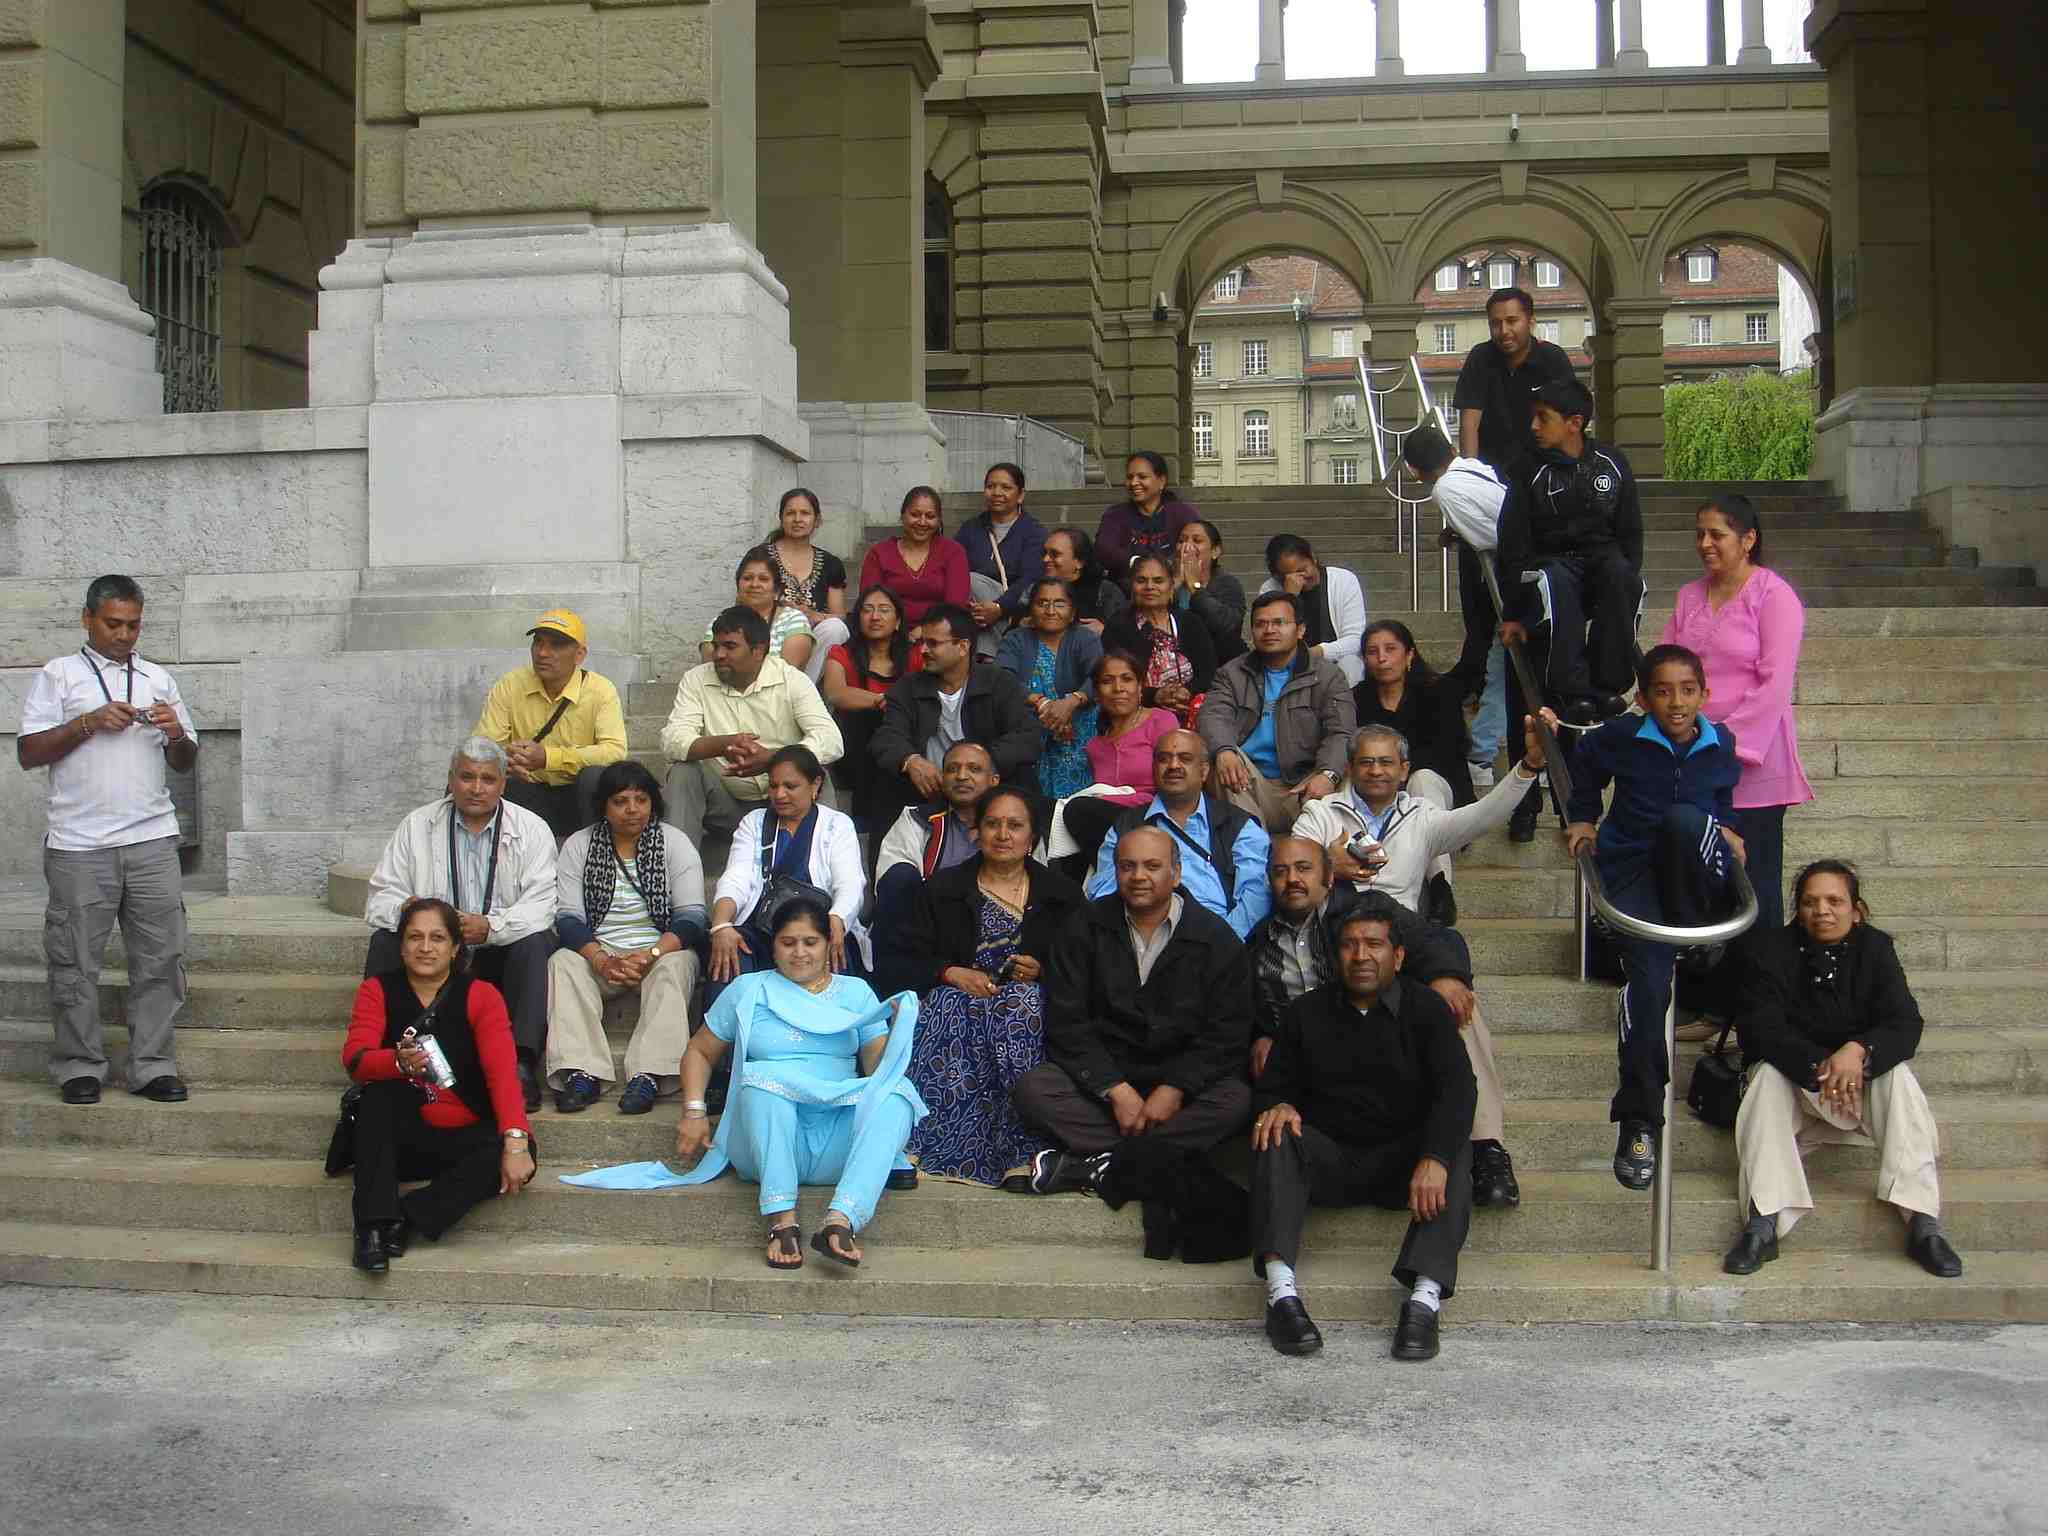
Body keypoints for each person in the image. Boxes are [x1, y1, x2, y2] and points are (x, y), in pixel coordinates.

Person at [1249, 909, 1476, 1361]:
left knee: (1455, 1147)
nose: (1361, 955)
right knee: (1274, 1130)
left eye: (1374, 944)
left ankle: (1424, 1301)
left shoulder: (1426, 1009)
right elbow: (1273, 1088)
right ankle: (1281, 1295)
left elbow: (1457, 1091)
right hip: (1331, 1161)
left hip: (1401, 1168)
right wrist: (1279, 1104)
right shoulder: (1305, 1012)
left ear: (1398, 955)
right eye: (1350, 944)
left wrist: (1434, 1158)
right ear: (1336, 957)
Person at [1559, 644, 1744, 1192]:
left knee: (1689, 821)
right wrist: (1585, 818)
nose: (1676, 702)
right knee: (1646, 990)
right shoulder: (1622, 736)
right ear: (1643, 698)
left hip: (1693, 875)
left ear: (1704, 694)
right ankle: (1639, 1122)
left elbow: (1723, 802)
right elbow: (1581, 767)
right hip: (1634, 876)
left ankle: (1698, 938)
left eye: (1688, 690)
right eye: (1662, 691)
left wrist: (1730, 828)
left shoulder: (1721, 743)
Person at [1250, 835, 1518, 1210]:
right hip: (1318, 1054)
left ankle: (1486, 1147)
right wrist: (1262, 1034)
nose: (1293, 879)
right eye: (1281, 871)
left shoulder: (1366, 910)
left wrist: (1446, 976)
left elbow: (1434, 941)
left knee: (1454, 1009)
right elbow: (1253, 1002)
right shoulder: (1261, 939)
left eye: (1303, 868)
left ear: (1329, 878)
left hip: (1386, 1033)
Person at [1725, 861, 1960, 1280]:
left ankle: (1924, 1225)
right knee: (1764, 1080)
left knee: (1899, 1080)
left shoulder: (1876, 949)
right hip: (1801, 1084)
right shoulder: (1771, 952)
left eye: (1835, 901)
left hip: (1861, 1085)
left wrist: (1858, 1051)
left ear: (1857, 909)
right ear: (1797, 910)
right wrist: (1823, 1066)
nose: (1822, 911)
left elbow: (1905, 1023)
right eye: (1810, 902)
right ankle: (1764, 1221)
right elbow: (1759, 1029)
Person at [664, 899, 925, 1268]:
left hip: (836, 1140)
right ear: (773, 946)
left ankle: (841, 1221)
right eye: (788, 943)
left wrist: (896, 1032)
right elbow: (700, 1051)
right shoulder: (748, 989)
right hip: (765, 1138)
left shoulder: (857, 993)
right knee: (759, 1082)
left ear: (828, 944)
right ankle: (782, 1220)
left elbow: (877, 1073)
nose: (799, 953)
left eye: (810, 942)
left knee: (898, 1096)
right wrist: (694, 1111)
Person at [17, 574, 197, 1105]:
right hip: (78, 844)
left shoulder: (158, 677)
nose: (124, 635)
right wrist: (88, 722)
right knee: (74, 961)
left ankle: (153, 1064)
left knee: (161, 957)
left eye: (133, 624)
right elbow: (29, 752)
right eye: (113, 623)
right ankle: (79, 1066)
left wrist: (174, 732)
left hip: (152, 839)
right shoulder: (59, 675)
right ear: (88, 619)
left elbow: (186, 759)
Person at [1013, 825, 1253, 1193]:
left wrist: (1174, 1089)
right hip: (1106, 1085)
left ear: (1176, 873)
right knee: (1036, 1089)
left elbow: (1226, 1034)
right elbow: (1068, 1022)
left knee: (1235, 1101)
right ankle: (1161, 1160)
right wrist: (1116, 1089)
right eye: (1127, 866)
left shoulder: (1215, 938)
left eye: (1152, 866)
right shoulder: (1083, 927)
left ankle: (1099, 1164)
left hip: (1180, 1087)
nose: (1138, 876)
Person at [900, 786, 1086, 1187]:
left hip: (1026, 1001)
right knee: (945, 1004)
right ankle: (922, 1142)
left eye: (1015, 826)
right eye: (993, 824)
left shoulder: (1062, 896)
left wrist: (1043, 969)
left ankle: (1021, 1153)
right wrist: (950, 972)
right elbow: (903, 959)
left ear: (1032, 837)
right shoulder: (941, 889)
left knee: (1022, 1005)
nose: (1004, 834)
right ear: (976, 832)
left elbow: (1086, 968)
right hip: (960, 998)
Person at [342, 897, 535, 1274]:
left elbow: (502, 1073)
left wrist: (515, 1140)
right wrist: (396, 1062)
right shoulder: (376, 991)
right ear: (401, 945)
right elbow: (355, 1060)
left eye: (437, 938)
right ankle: (371, 1228)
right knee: (375, 1098)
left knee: (519, 1148)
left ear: (455, 948)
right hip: (400, 1139)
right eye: (415, 937)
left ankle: (407, 1218)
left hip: (461, 1133)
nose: (425, 948)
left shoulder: (481, 996)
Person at [363, 738, 558, 1111]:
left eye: (487, 779)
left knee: (536, 942)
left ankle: (519, 1064)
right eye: (467, 777)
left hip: (498, 950)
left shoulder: (532, 829)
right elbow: (379, 899)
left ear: (503, 783)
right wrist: (409, 912)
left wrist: (490, 927)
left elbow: (543, 905)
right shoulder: (417, 825)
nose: (476, 788)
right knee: (385, 941)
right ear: (451, 779)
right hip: (435, 951)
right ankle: (386, 1057)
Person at [1659, 494, 1812, 932]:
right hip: (1693, 761)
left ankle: (1759, 995)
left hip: (1754, 767)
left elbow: (1775, 685)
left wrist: (1721, 742)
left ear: (1748, 540)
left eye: (1717, 534)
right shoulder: (1689, 596)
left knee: (1756, 886)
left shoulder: (1774, 595)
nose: (1705, 543)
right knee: (1701, 884)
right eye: (1700, 534)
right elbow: (1665, 667)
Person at [545, 760, 707, 1115]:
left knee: (677, 964)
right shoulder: (580, 846)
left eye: (641, 799)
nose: (632, 809)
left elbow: (692, 917)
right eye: (620, 801)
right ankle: (582, 1071)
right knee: (563, 962)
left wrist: (650, 953)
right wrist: (600, 958)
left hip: (659, 950)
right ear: (604, 805)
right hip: (602, 953)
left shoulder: (674, 843)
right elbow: (568, 918)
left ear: (653, 803)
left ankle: (648, 1074)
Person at [1446, 286, 1577, 691]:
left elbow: (1567, 423)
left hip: (1538, 481)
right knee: (1474, 571)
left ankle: (1535, 659)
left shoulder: (1553, 360)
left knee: (1529, 574)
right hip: (1491, 478)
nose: (1503, 330)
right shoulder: (1481, 359)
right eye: (1495, 323)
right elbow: (1470, 423)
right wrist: (1468, 480)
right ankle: (1475, 664)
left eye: (1512, 321)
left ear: (1530, 320)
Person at [1497, 375, 1646, 727]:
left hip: (1601, 566)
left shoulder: (1612, 464)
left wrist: (1626, 572)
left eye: (1543, 418)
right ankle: (1572, 690)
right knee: (1556, 579)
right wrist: (1513, 612)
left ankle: (1608, 686)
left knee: (1621, 575)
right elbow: (1512, 544)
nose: (1533, 426)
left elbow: (1630, 532)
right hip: (1549, 570)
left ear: (1574, 423)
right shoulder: (1527, 469)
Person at [1293, 722, 1542, 929]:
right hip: (1334, 930)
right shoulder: (1321, 812)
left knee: (1450, 948)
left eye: (1386, 762)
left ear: (1404, 770)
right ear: (1350, 769)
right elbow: (1289, 871)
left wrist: (1529, 766)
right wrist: (1327, 865)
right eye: (1366, 762)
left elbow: (1484, 815)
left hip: (1400, 934)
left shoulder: (1421, 816)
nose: (1376, 770)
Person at [660, 605, 844, 850]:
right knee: (683, 771)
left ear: (758, 651)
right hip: (726, 806)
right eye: (716, 646)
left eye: (730, 646)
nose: (719, 654)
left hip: (785, 802)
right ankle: (676, 869)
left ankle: (823, 860)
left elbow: (831, 740)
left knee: (816, 770)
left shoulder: (791, 679)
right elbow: (672, 740)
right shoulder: (696, 679)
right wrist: (722, 744)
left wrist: (774, 760)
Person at [1402, 425, 1512, 793]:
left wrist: (1463, 533)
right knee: (1499, 667)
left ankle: (1481, 757)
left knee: (1502, 669)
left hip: (1512, 586)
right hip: (1521, 583)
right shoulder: (1476, 467)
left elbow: (1491, 537)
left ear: (1415, 471)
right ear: (1449, 448)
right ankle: (1482, 754)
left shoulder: (1445, 490)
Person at [707, 745, 872, 989]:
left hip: (819, 928)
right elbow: (736, 880)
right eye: (774, 786)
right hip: (762, 930)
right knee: (730, 953)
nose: (780, 795)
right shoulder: (754, 823)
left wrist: (837, 920)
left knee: (835, 948)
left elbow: (850, 883)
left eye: (790, 786)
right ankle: (721, 1028)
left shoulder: (837, 824)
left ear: (815, 785)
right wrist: (721, 925)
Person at [1088, 729, 1271, 940]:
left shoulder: (1239, 825)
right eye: (1164, 759)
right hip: (1140, 941)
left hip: (1217, 944)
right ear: (1153, 768)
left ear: (1204, 771)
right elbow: (1103, 893)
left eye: (1185, 758)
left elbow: (1256, 898)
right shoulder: (1127, 826)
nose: (1174, 765)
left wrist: (1219, 945)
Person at [1198, 590, 1353, 832]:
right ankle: (1251, 845)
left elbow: (1341, 732)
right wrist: (1223, 751)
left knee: (1346, 772)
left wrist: (1328, 774)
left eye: (1279, 622)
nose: (1269, 630)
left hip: (1304, 785)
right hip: (1248, 784)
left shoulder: (1327, 676)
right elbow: (1213, 715)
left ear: (1300, 630)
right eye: (1261, 624)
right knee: (1222, 760)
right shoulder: (1232, 673)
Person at [472, 607, 628, 839]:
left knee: (595, 778)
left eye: (556, 645)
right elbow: (482, 747)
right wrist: (506, 759)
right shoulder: (511, 684)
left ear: (579, 655)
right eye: (538, 643)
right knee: (474, 780)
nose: (543, 653)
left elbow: (615, 752)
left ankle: (600, 856)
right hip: (528, 792)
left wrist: (548, 758)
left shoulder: (600, 690)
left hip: (579, 795)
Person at [869, 603, 1039, 813]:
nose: (923, 650)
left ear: (963, 647)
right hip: (928, 793)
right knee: (886, 780)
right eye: (922, 642)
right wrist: (911, 760)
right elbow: (887, 736)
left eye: (933, 643)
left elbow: (1028, 736)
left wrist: (978, 763)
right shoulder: (908, 687)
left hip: (990, 796)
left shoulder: (998, 682)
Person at [868, 740, 1005, 997]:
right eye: (952, 769)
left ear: (994, 780)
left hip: (994, 934)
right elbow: (892, 889)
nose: (961, 776)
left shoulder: (1013, 828)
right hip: (927, 935)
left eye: (974, 769)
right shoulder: (917, 819)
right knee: (898, 877)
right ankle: (898, 993)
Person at [1051, 650, 1179, 874]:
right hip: (1107, 824)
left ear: (1140, 687)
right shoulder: (1095, 746)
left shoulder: (1161, 720)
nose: (1118, 688)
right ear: (1097, 694)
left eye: (1127, 679)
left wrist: (1107, 800)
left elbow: (1173, 783)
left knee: (1077, 810)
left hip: (1154, 816)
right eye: (1107, 681)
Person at [819, 583, 924, 830]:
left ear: (898, 621)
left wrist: (893, 705)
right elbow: (836, 693)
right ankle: (864, 811)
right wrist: (881, 701)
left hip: (905, 745)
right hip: (856, 751)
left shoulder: (915, 655)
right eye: (867, 610)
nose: (875, 616)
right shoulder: (841, 653)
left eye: (884, 610)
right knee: (867, 717)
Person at [996, 577, 1103, 799]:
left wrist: (1072, 702)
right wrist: (1041, 703)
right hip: (1030, 734)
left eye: (1059, 604)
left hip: (1079, 733)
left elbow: (1099, 677)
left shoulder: (1085, 638)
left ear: (1073, 612)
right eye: (1042, 603)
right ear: (1031, 610)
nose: (1050, 610)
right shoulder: (1015, 640)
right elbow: (1002, 680)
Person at [1353, 620, 1475, 811]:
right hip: (1377, 786)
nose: (1381, 658)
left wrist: (1395, 768)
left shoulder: (1440, 692)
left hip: (1437, 786)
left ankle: (1428, 839)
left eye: (1390, 649)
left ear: (1409, 655)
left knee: (1422, 779)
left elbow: (1450, 750)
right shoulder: (1357, 698)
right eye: (1372, 652)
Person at [1102, 551, 1217, 725]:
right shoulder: (1118, 627)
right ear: (1132, 586)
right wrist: (1155, 695)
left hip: (1191, 712)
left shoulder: (1190, 622)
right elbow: (1114, 679)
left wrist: (1187, 691)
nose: (1150, 587)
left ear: (1171, 586)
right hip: (1137, 717)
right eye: (1141, 581)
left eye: (1158, 581)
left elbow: (1208, 672)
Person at [1257, 534, 1368, 689]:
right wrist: (1289, 598)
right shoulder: (1269, 589)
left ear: (1313, 558)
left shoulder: (1343, 580)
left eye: (1303, 569)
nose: (1300, 578)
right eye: (1289, 575)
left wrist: (1318, 652)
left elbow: (1355, 639)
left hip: (1336, 659)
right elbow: (1272, 637)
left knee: (1350, 664)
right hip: (1290, 663)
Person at [958, 461, 1048, 644]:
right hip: (975, 606)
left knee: (972, 580)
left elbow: (1030, 578)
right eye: (990, 486)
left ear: (1021, 495)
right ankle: (992, 656)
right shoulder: (970, 529)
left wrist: (999, 607)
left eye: (1006, 487)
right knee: (966, 581)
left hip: (1015, 605)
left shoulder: (1034, 532)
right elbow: (954, 565)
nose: (997, 493)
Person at [762, 487, 851, 670]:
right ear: (781, 518)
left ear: (817, 520)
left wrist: (814, 615)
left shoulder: (830, 563)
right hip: (770, 631)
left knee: (835, 628)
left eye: (805, 513)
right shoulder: (761, 557)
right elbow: (744, 601)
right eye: (790, 513)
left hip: (812, 637)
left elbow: (840, 615)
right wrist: (783, 611)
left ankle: (801, 689)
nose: (797, 519)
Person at [860, 484, 969, 628]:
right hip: (888, 634)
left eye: (930, 516)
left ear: (938, 521)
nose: (922, 522)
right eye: (915, 515)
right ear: (903, 515)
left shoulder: (953, 552)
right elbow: (869, 603)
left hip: (939, 635)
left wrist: (925, 630)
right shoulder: (879, 553)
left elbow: (955, 607)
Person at [701, 546, 816, 676]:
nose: (754, 584)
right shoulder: (719, 622)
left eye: (763, 579)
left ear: (777, 589)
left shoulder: (793, 620)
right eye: (747, 578)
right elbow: (710, 671)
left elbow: (787, 675)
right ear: (738, 585)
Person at [1095, 450, 1200, 587]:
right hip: (1127, 592)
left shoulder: (1183, 514)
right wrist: (1137, 563)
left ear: (1161, 481)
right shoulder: (1115, 515)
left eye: (1142, 477)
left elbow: (1195, 548)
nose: (1134, 483)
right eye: (1129, 477)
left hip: (1174, 588)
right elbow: (1104, 550)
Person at [1173, 518, 1247, 664]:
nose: (1187, 547)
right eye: (1182, 541)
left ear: (1215, 551)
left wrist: (1194, 586)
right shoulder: (1163, 580)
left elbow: (1227, 627)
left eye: (1197, 541)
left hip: (1216, 660)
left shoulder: (1227, 584)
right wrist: (1174, 584)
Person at [1042, 525, 1125, 633]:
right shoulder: (1035, 589)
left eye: (1054, 554)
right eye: (1044, 553)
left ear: (1079, 561)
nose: (1045, 559)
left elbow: (1126, 637)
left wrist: (1106, 632)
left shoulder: (1106, 593)